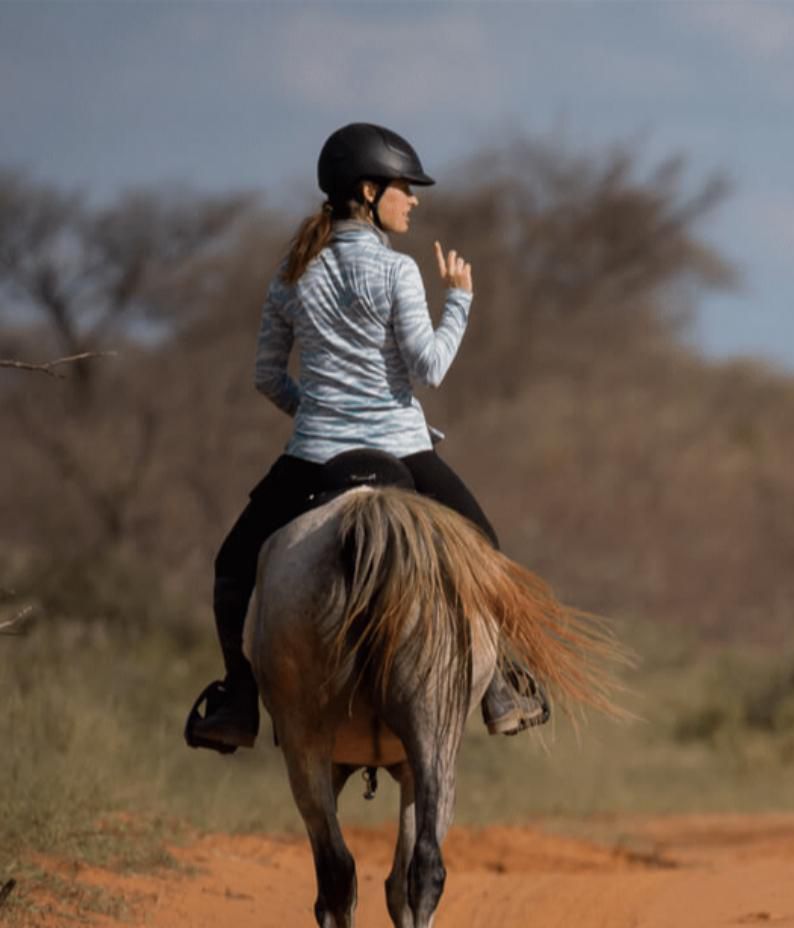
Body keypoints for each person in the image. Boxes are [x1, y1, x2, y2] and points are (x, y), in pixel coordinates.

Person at [186, 122, 547, 753]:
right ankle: (503, 687)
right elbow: (429, 368)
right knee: (487, 549)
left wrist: (317, 414)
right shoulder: (398, 271)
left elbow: (267, 376)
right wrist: (459, 300)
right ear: (369, 190)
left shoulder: (291, 272)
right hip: (402, 449)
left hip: (313, 455)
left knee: (231, 565)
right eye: (405, 188)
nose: (414, 200)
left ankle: (238, 699)